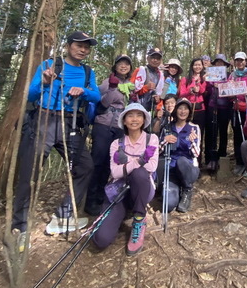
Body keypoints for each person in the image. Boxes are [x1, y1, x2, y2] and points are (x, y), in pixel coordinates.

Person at [12, 31, 100, 243]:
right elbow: (31, 95)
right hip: (44, 119)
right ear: (69, 46)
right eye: (79, 45)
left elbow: (96, 96)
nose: (83, 50)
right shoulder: (50, 65)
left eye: (87, 47)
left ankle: (63, 215)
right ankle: (18, 227)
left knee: (85, 166)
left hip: (70, 123)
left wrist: (84, 92)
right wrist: (43, 81)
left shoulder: (88, 72)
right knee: (30, 172)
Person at [92, 103, 159, 256]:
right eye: (130, 115)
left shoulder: (151, 139)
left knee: (139, 174)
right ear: (124, 120)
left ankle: (139, 219)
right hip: (120, 192)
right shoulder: (117, 144)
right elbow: (115, 173)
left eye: (138, 115)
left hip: (142, 188)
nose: (134, 119)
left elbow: (151, 167)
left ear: (143, 120)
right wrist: (138, 161)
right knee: (100, 239)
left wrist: (127, 162)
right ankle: (123, 212)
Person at [85, 55, 137, 216]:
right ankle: (90, 199)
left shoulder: (129, 85)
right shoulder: (108, 82)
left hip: (120, 126)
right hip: (103, 124)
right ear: (115, 66)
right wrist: (113, 89)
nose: (123, 66)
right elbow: (104, 103)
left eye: (126, 64)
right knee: (98, 160)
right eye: (120, 63)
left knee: (110, 161)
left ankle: (100, 195)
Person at [162, 98, 201, 212]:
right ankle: (176, 189)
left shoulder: (194, 128)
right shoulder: (168, 127)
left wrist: (192, 142)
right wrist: (165, 140)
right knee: (168, 205)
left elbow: (196, 153)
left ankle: (187, 189)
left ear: (189, 111)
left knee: (182, 161)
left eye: (185, 109)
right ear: (176, 110)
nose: (183, 111)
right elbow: (158, 151)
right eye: (180, 108)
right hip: (171, 169)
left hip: (188, 168)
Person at [228, 52, 247, 176]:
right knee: (238, 136)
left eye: (241, 60)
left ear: (245, 61)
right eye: (237, 60)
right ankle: (239, 162)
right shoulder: (232, 75)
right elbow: (226, 91)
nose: (239, 63)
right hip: (236, 108)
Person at [204, 54, 232, 171]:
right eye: (217, 62)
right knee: (211, 131)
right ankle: (209, 158)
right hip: (212, 106)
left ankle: (222, 155)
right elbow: (206, 90)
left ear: (225, 65)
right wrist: (212, 85)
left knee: (223, 131)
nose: (219, 64)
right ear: (214, 64)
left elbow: (231, 89)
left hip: (224, 107)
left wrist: (222, 86)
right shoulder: (210, 75)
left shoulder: (229, 76)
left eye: (222, 63)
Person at [179, 58, 207, 138]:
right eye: (195, 65)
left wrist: (200, 83)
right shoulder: (186, 79)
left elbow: (202, 91)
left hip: (200, 109)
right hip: (188, 109)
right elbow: (181, 94)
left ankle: (198, 150)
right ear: (192, 66)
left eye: (199, 65)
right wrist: (190, 91)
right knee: (187, 131)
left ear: (202, 66)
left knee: (199, 132)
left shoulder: (203, 79)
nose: (197, 67)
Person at [132, 47, 165, 115]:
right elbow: (131, 90)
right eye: (153, 57)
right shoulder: (140, 70)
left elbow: (163, 94)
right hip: (138, 107)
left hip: (152, 110)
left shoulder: (161, 75)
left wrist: (159, 99)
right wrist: (146, 87)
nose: (155, 60)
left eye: (158, 58)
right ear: (148, 58)